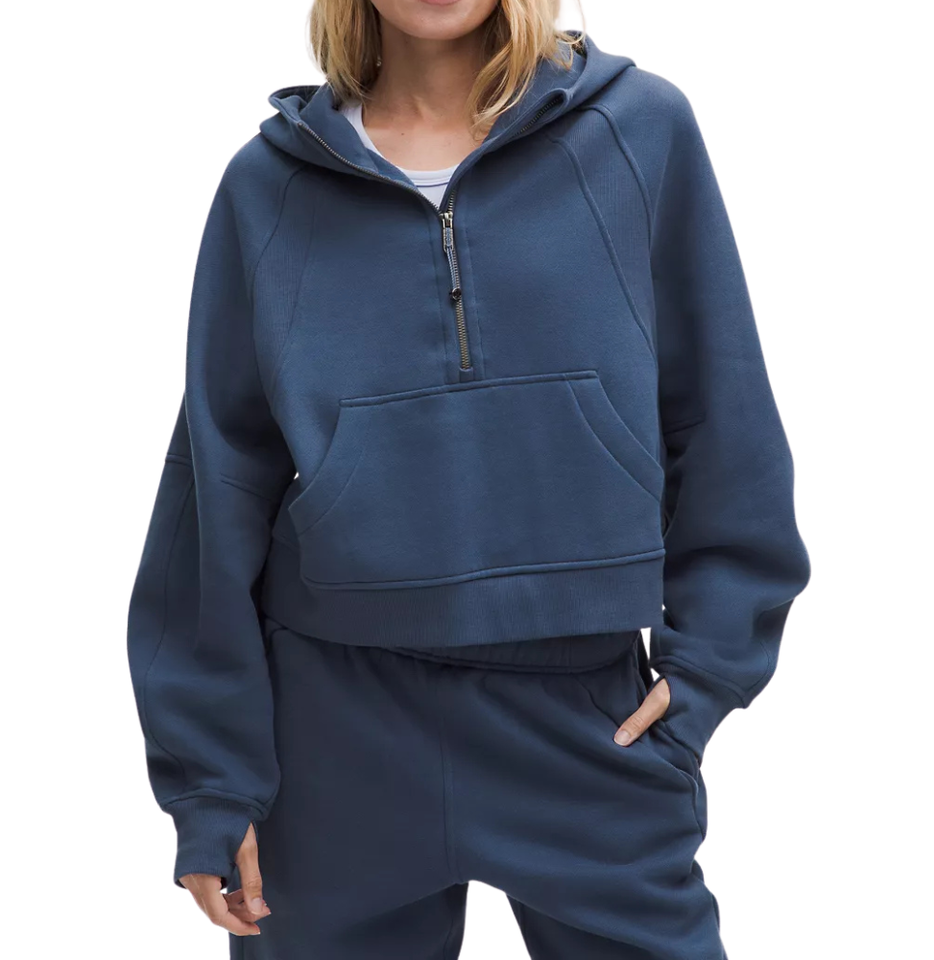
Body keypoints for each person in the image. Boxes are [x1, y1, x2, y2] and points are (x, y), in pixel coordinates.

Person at [126, 1, 811, 956]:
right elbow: (215, 482)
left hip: (585, 715)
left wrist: (706, 669)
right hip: (334, 730)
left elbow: (721, 407)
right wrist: (211, 778)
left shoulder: (638, 130)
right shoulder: (269, 183)